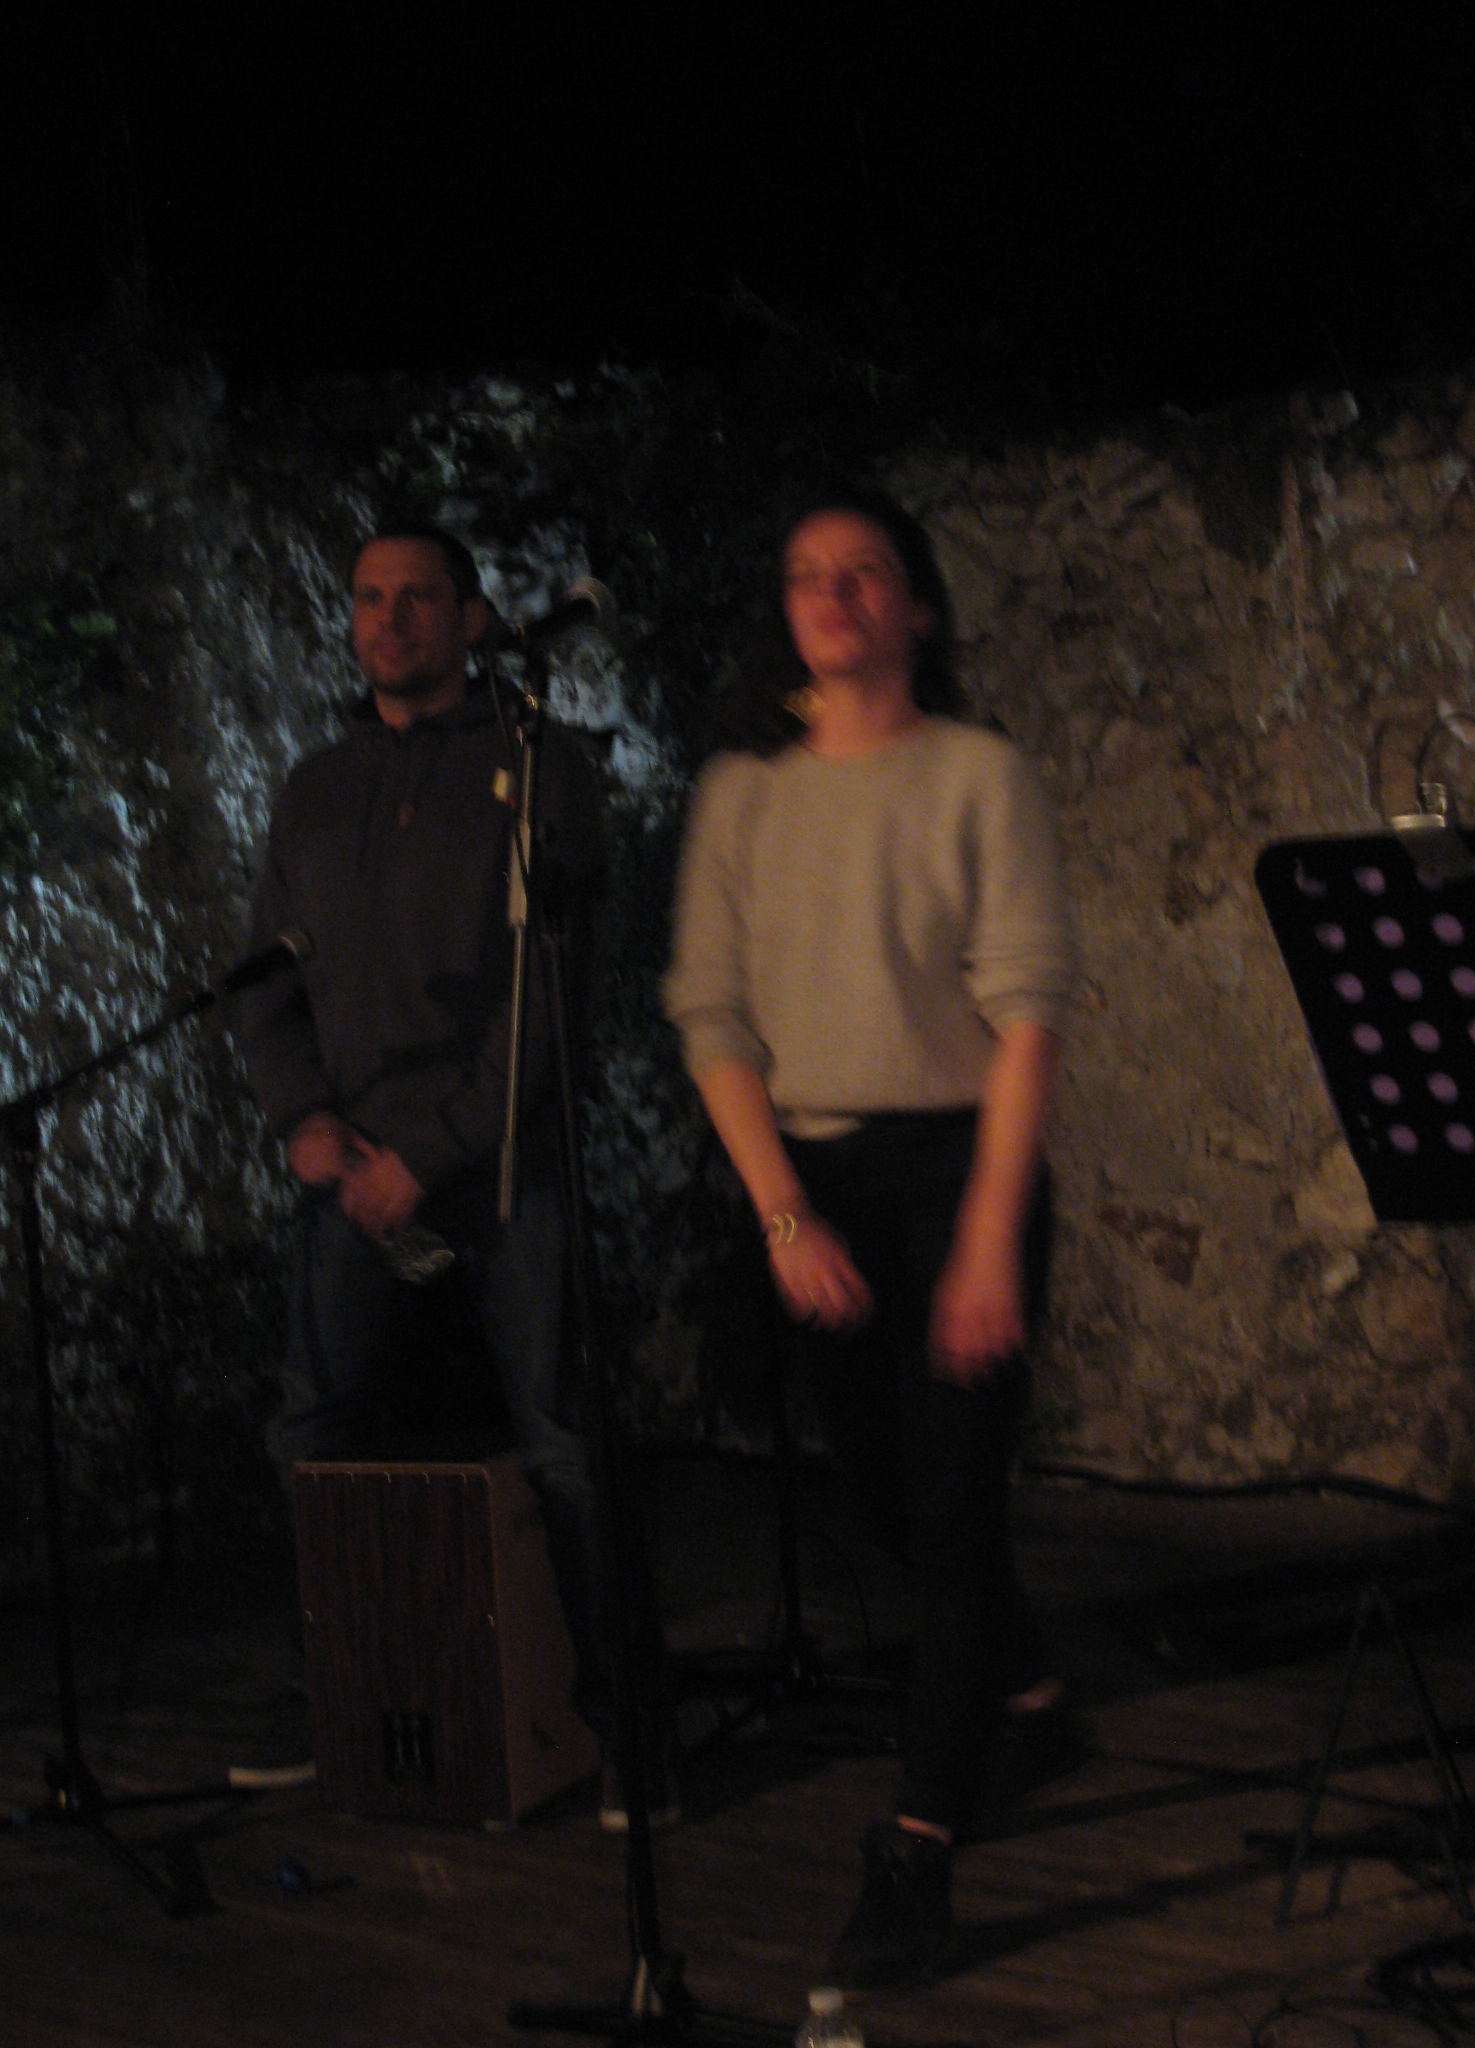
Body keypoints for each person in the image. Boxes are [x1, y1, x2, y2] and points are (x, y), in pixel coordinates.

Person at [663, 488, 1075, 1989]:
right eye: (806, 576)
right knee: (891, 1505)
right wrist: (782, 1214)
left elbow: (1027, 1013)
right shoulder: (741, 794)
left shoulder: (979, 773)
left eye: (864, 573)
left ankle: (916, 1847)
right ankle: (1029, 1697)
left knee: (953, 1514)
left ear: (919, 607)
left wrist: (986, 1240)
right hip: (815, 1179)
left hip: (960, 1166)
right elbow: (713, 1017)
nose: (831, 596)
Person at [239, 519, 671, 1824]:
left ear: (472, 618)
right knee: (311, 1437)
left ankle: (630, 1731)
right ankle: (337, 1697)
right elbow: (268, 978)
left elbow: (548, 1004)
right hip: (348, 1175)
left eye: (417, 596)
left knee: (563, 1444)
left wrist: (429, 1154)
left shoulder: (538, 769)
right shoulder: (317, 787)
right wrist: (304, 1120)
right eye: (369, 597)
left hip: (500, 1169)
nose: (389, 620)